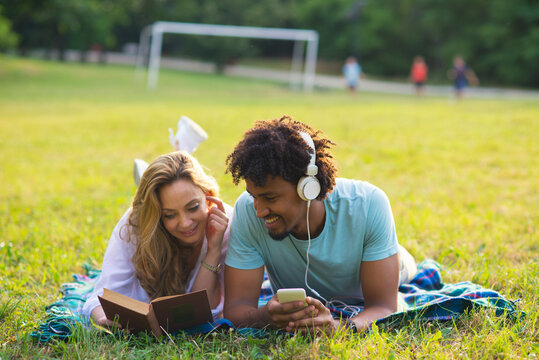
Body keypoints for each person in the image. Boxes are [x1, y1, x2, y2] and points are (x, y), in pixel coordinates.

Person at [223, 115, 417, 335]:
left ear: (308, 188)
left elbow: (384, 307)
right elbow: (236, 310)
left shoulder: (368, 204)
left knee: (405, 265)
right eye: (254, 197)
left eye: (270, 198)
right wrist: (265, 316)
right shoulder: (247, 210)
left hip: (395, 265)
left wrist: (339, 328)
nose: (258, 211)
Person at [82, 151, 232, 326]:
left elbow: (209, 312)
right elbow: (101, 297)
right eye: (169, 215)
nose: (185, 223)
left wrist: (213, 250)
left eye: (193, 207)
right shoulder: (136, 225)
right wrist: (103, 319)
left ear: (208, 197)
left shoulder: (225, 224)